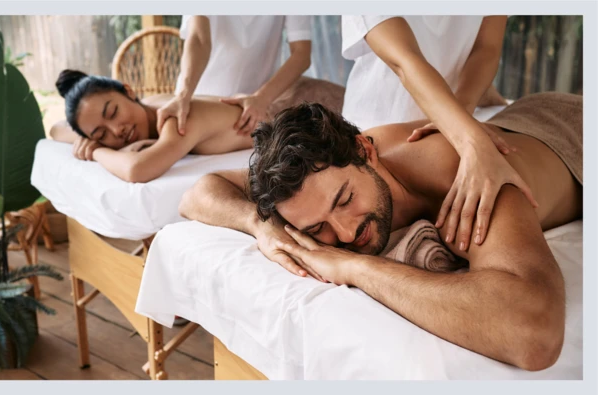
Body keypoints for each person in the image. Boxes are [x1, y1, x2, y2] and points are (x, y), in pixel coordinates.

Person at [179, 92, 582, 371]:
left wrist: (355, 268)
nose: (346, 231)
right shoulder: (312, 179)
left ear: (365, 151)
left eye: (343, 200)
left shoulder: (461, 172)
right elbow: (200, 191)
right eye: (316, 228)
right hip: (516, 119)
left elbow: (535, 334)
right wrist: (261, 226)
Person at [340, 15, 539, 254]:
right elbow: (403, 59)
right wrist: (470, 141)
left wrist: (459, 119)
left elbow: (486, 48)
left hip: (448, 123)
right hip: (378, 129)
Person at [49, 69, 252, 183]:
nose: (116, 130)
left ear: (128, 91)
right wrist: (85, 139)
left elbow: (137, 170)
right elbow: (56, 128)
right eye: (101, 134)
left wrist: (96, 150)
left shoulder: (177, 118)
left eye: (113, 113)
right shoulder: (149, 105)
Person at [156, 15, 312, 136]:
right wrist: (184, 95)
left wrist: (262, 99)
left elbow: (301, 54)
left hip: (249, 112)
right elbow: (199, 38)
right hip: (193, 101)